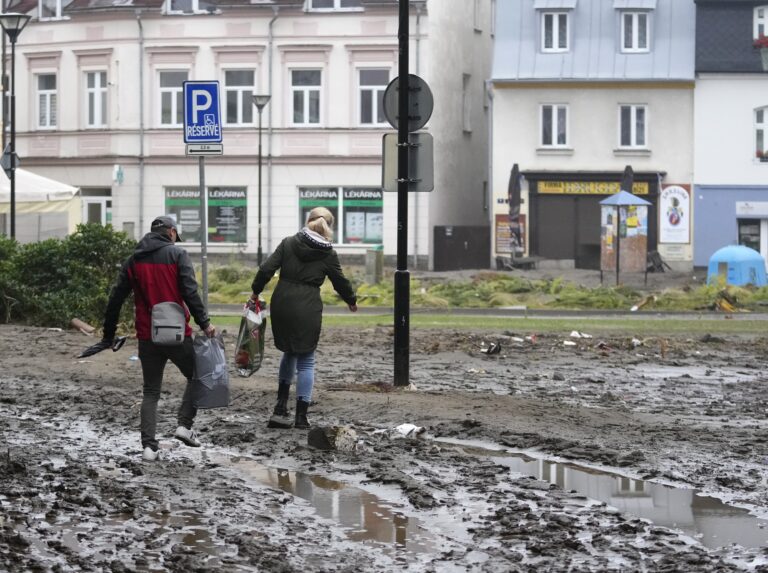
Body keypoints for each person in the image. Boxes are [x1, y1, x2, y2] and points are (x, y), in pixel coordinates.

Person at [101, 216, 216, 461]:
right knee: (198, 375)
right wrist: (204, 323)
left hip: (147, 335)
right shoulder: (177, 255)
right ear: (171, 232)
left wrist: (108, 335)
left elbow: (116, 298)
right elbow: (190, 292)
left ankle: (149, 448)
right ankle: (184, 426)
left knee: (151, 392)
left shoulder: (134, 260)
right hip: (176, 334)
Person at [251, 207, 357, 430]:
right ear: (329, 227)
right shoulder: (328, 254)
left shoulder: (288, 243)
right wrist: (351, 299)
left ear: (308, 221)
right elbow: (340, 281)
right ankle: (301, 417)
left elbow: (266, 269)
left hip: (282, 303)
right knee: (306, 360)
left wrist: (255, 290)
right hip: (307, 306)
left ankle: (280, 407)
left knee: (289, 352)